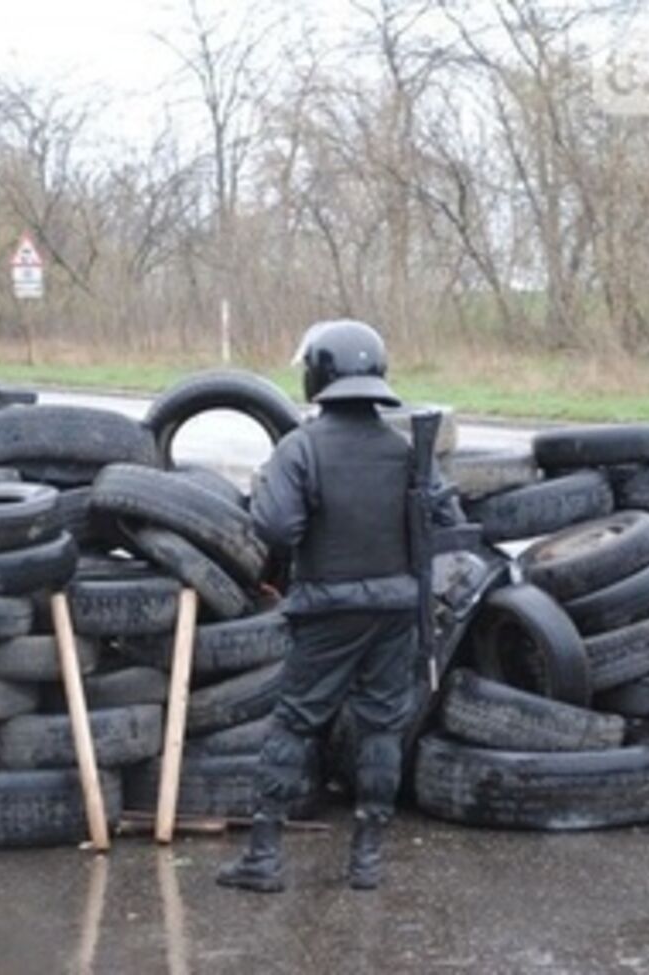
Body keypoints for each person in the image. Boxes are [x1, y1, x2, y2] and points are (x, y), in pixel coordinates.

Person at [217, 319, 453, 894]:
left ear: (317, 375)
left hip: (327, 610)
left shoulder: (301, 447)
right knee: (380, 729)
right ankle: (367, 860)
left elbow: (274, 526)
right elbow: (446, 523)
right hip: (395, 609)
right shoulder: (406, 450)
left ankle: (264, 858)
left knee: (295, 723)